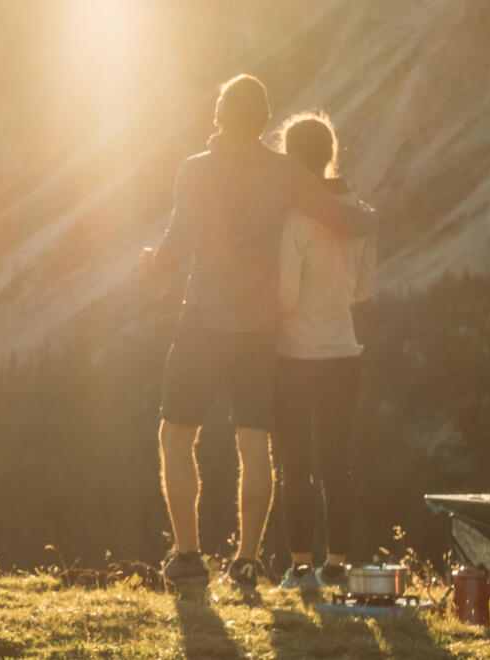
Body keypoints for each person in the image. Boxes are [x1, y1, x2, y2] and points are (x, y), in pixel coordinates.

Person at [136, 75, 376, 592]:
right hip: (260, 330)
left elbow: (178, 246)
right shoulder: (286, 173)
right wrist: (369, 220)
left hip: (203, 320)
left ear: (220, 116)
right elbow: (337, 217)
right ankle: (246, 562)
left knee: (176, 434)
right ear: (265, 121)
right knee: (254, 442)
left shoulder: (194, 171)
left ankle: (189, 557)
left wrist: (152, 266)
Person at [271, 111, 375, 591]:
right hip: (343, 356)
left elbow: (286, 300)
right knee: (337, 462)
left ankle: (300, 568)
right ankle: (336, 566)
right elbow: (363, 291)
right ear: (331, 156)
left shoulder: (293, 219)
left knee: (295, 466)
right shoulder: (361, 215)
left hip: (294, 357)